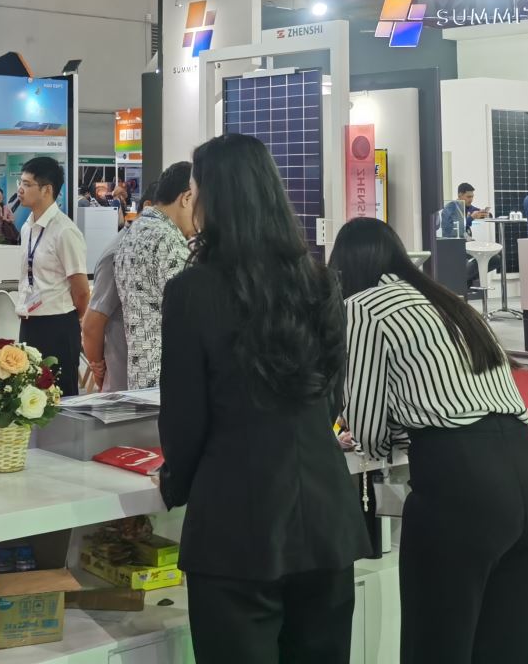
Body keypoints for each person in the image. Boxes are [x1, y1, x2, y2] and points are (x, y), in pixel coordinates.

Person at [159, 134, 368, 663]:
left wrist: (176, 484)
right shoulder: (319, 281)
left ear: (213, 199)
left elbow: (184, 420)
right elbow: (331, 395)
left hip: (235, 522)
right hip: (326, 515)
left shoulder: (193, 290)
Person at [338, 217, 528, 664]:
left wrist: (379, 443)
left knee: (436, 644)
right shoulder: (450, 301)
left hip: (461, 482)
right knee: (508, 645)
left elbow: (366, 422)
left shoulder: (362, 307)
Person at [115, 161, 194, 389]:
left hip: (141, 371)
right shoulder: (168, 240)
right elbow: (192, 313)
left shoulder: (133, 231)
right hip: (171, 374)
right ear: (186, 198)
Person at [15, 156, 89, 396]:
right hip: (29, 320)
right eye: (20, 182)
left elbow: (81, 291)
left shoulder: (65, 231)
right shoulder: (27, 227)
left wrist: (70, 320)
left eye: (27, 184)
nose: (20, 189)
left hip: (58, 325)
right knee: (28, 396)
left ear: (47, 190)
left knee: (61, 396)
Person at [82, 194, 151, 393]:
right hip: (122, 381)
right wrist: (98, 367)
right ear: (148, 207)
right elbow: (92, 324)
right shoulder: (119, 251)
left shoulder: (147, 246)